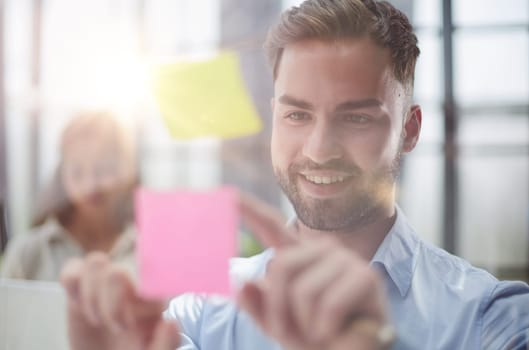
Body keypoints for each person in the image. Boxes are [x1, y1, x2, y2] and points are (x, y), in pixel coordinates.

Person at [60, 1, 529, 349]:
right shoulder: (203, 311)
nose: (319, 150)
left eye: (357, 118)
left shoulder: (492, 319)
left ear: (409, 129)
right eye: (297, 116)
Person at [1, 110, 138, 281]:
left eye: (104, 169)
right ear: (62, 174)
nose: (91, 185)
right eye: (77, 172)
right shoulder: (29, 252)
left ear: (129, 170)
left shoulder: (150, 248)